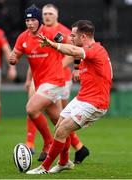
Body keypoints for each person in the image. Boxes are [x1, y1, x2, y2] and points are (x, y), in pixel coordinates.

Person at [26, 19, 112, 174]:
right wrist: (77, 68)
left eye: (73, 36)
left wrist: (53, 44)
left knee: (62, 131)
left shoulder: (96, 50)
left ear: (84, 37)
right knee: (59, 127)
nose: (71, 38)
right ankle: (64, 162)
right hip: (82, 98)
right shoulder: (86, 48)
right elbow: (76, 52)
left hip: (95, 103)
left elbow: (73, 51)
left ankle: (44, 168)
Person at [25, 3, 89, 164]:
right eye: (45, 13)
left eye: (50, 14)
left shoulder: (62, 32)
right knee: (41, 109)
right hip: (43, 78)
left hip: (60, 78)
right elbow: (33, 57)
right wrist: (28, 78)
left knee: (61, 118)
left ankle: (70, 148)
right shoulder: (37, 33)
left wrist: (56, 68)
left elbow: (74, 50)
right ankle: (75, 148)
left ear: (57, 16)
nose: (47, 16)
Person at [8, 5, 68, 162]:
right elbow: (15, 55)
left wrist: (74, 66)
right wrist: (12, 59)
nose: (30, 23)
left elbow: (71, 46)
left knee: (31, 108)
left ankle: (48, 142)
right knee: (60, 124)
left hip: (54, 81)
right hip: (41, 83)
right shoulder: (23, 37)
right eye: (27, 20)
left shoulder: (52, 33)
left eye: (33, 20)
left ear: (39, 20)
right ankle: (65, 160)